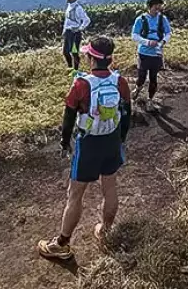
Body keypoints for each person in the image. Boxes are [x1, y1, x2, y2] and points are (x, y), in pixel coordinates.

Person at [37, 36, 131, 261]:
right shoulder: (120, 81)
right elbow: (127, 113)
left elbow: (68, 117)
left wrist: (64, 142)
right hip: (111, 139)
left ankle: (61, 244)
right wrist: (121, 139)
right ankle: (106, 231)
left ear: (91, 58)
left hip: (89, 143)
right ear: (110, 58)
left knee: (75, 194)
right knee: (110, 186)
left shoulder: (81, 84)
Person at [131, 0, 172, 113]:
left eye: (159, 7)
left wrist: (163, 42)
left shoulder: (162, 19)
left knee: (153, 77)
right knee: (142, 76)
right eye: (156, 7)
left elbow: (168, 33)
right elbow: (134, 35)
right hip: (143, 52)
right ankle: (138, 88)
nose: (158, 9)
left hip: (157, 53)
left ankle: (150, 100)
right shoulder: (141, 19)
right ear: (149, 7)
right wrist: (147, 42)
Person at [62, 0, 91, 71]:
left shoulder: (78, 8)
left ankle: (75, 70)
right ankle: (70, 67)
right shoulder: (69, 6)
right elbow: (67, 20)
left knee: (74, 52)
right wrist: (64, 30)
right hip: (68, 33)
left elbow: (87, 20)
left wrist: (80, 28)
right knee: (65, 52)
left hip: (75, 34)